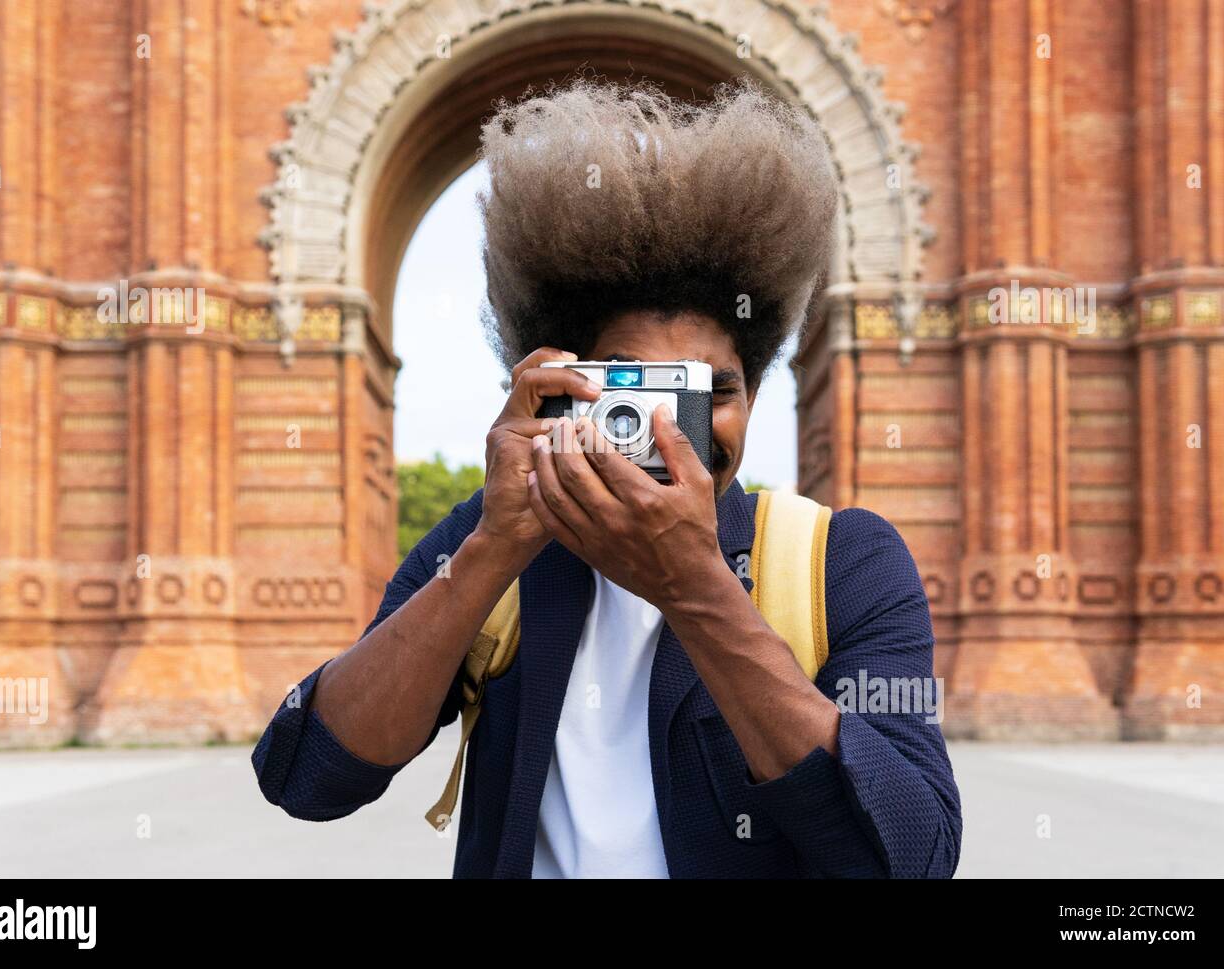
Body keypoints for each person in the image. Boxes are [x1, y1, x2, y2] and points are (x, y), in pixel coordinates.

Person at [252, 78, 962, 878]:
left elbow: (915, 855)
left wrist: (697, 585)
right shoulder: (491, 543)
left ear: (755, 396)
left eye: (707, 395)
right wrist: (494, 544)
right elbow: (308, 774)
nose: (668, 431)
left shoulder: (841, 563)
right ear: (563, 386)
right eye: (635, 393)